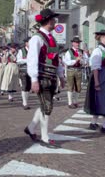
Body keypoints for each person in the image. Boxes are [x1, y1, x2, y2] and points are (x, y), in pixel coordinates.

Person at [24, 9, 65, 147]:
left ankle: (30, 128)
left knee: (45, 105)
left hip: (51, 76)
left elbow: (56, 60)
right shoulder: (37, 38)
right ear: (48, 21)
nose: (55, 22)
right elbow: (32, 59)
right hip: (42, 77)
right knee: (47, 107)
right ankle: (45, 137)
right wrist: (34, 79)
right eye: (53, 19)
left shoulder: (51, 38)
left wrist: (61, 76)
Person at [84, 30, 105, 135]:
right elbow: (95, 69)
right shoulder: (97, 51)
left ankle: (93, 123)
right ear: (102, 37)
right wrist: (97, 83)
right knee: (104, 101)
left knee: (102, 101)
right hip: (101, 77)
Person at [62, 37, 86, 109]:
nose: (77, 44)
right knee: (70, 86)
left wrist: (82, 61)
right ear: (73, 43)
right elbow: (67, 62)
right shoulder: (68, 52)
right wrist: (76, 60)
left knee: (78, 87)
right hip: (71, 70)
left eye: (78, 42)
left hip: (79, 70)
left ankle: (75, 101)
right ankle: (70, 103)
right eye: (76, 42)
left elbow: (86, 61)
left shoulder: (81, 51)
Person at [17, 37, 31, 110]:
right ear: (26, 43)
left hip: (31, 70)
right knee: (24, 85)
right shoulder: (21, 51)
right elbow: (18, 60)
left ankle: (26, 102)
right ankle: (24, 103)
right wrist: (26, 60)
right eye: (29, 42)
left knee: (28, 86)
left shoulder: (34, 50)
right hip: (23, 70)